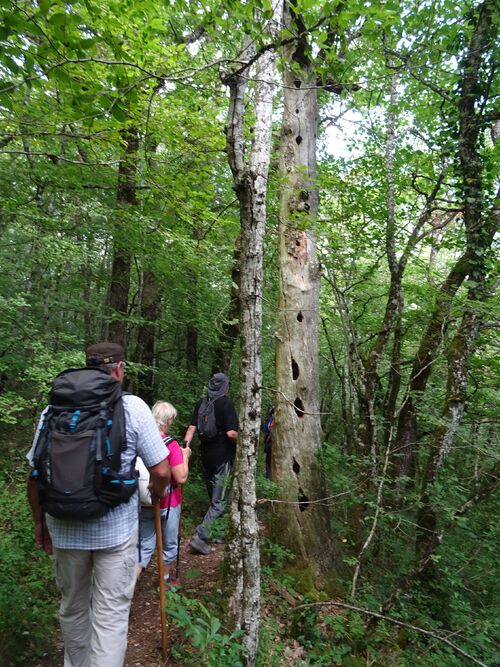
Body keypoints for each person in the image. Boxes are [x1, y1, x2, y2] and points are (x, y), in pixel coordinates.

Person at [26, 342, 171, 667]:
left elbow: (34, 477)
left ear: (88, 366)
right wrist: (157, 493)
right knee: (110, 617)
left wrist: (39, 523)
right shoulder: (132, 407)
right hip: (115, 535)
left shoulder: (54, 410)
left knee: (73, 608)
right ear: (119, 369)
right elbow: (161, 469)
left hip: (63, 529)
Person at [136, 400, 191, 582]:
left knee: (144, 545)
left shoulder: (141, 440)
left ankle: (128, 586)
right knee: (170, 543)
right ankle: (165, 580)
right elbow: (181, 477)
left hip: (144, 500)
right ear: (168, 421)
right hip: (168, 502)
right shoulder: (170, 445)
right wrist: (185, 457)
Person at [183, 372, 238, 555]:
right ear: (224, 386)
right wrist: (245, 440)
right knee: (219, 501)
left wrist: (185, 448)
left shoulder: (202, 403)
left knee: (214, 499)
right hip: (223, 458)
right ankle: (200, 537)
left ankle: (218, 534)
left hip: (206, 458)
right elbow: (231, 433)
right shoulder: (226, 403)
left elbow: (191, 428)